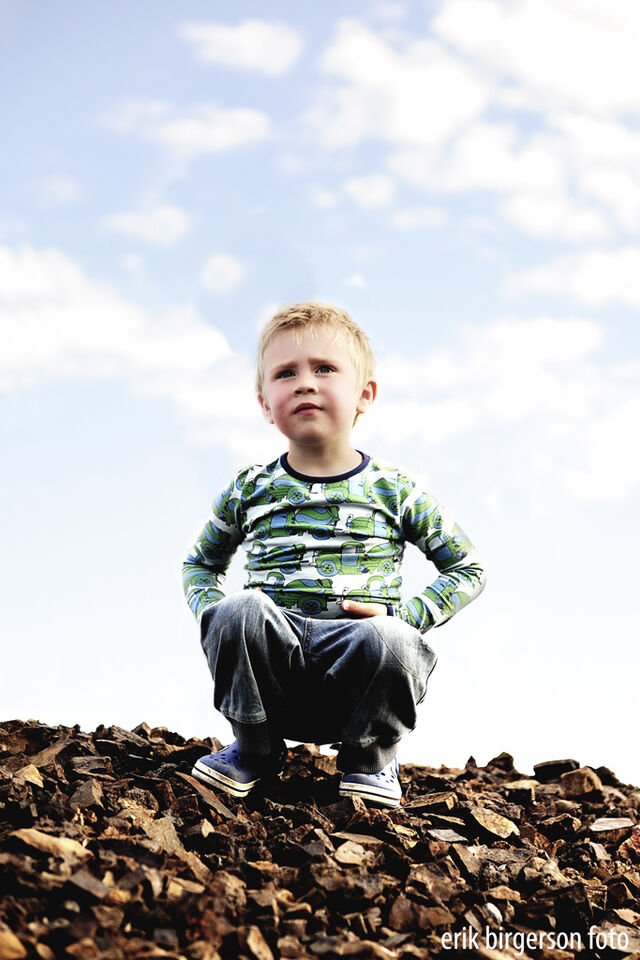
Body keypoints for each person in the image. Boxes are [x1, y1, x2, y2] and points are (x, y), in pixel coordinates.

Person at [182, 302, 485, 808]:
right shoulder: (248, 488)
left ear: (364, 393)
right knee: (239, 609)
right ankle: (254, 749)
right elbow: (200, 564)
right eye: (286, 373)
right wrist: (215, 619)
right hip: (271, 678)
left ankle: (370, 761)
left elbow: (467, 568)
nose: (305, 383)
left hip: (358, 680)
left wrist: (406, 616)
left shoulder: (396, 489)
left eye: (324, 368)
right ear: (265, 403)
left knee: (392, 638)